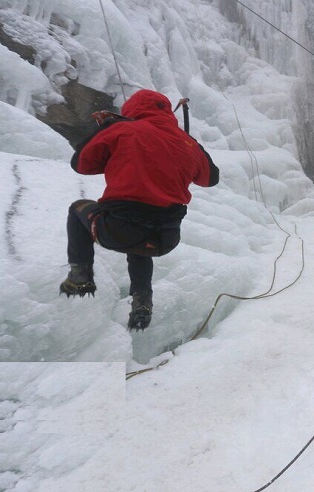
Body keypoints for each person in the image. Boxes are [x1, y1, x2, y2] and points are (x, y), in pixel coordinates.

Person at [60, 89, 220, 331]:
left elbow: (81, 163)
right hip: (165, 239)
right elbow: (211, 178)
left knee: (77, 209)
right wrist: (192, 144)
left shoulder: (123, 130)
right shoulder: (186, 143)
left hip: (117, 229)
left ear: (132, 110)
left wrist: (106, 128)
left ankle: (80, 278)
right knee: (141, 241)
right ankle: (142, 301)